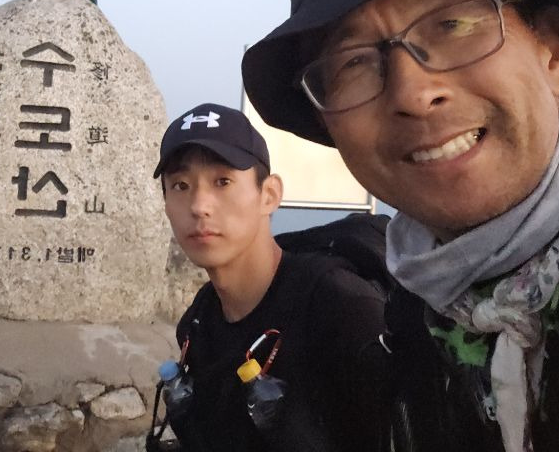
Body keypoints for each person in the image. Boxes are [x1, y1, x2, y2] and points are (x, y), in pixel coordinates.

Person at [242, 0, 559, 452]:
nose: (413, 92)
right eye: (354, 61)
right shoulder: (413, 313)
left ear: (553, 52)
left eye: (452, 24)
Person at [154, 103, 389, 452]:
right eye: (180, 185)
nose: (199, 205)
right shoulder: (199, 322)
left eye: (222, 181)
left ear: (269, 195)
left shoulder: (340, 308)